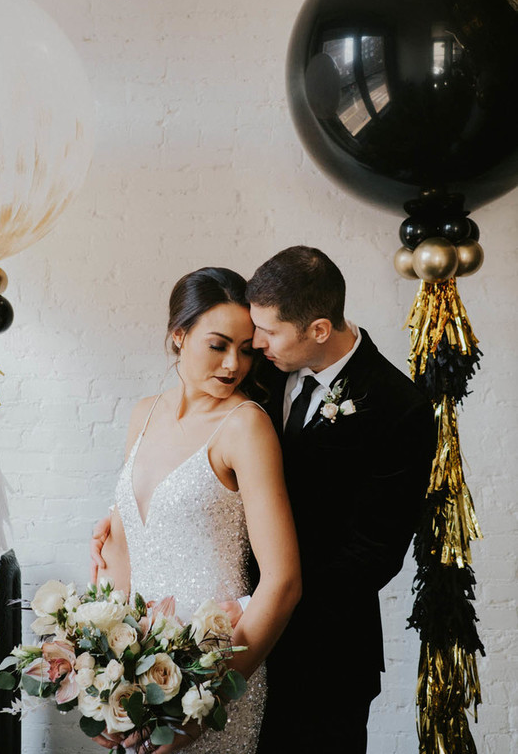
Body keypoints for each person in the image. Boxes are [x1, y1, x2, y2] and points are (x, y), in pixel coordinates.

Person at [90, 266, 301, 754]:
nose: (234, 364)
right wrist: (105, 682)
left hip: (215, 672)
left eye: (247, 350)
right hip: (137, 676)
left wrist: (207, 702)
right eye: (219, 345)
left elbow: (284, 581)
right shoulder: (142, 414)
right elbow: (123, 550)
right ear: (178, 335)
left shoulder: (245, 427)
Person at [245, 245, 436, 754]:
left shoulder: (400, 408)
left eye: (269, 330)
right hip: (233, 635)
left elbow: (374, 552)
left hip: (325, 654)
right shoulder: (260, 373)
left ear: (320, 330)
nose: (255, 341)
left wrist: (273, 604)